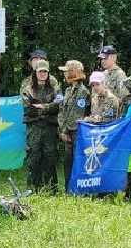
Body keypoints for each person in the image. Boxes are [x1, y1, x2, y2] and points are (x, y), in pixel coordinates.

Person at [21, 58, 62, 194]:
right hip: (34, 128)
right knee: (33, 157)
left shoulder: (54, 86)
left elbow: (58, 105)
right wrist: (48, 108)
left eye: (45, 71)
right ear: (35, 72)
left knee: (50, 157)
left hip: (50, 128)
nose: (43, 74)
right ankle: (32, 188)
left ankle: (52, 189)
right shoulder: (28, 88)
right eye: (40, 71)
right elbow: (29, 108)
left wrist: (42, 107)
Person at [57, 60, 90, 188]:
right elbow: (63, 111)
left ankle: (79, 188)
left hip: (77, 132)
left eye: (66, 71)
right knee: (68, 161)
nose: (65, 74)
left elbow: (76, 114)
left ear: (73, 72)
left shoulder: (82, 91)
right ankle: (68, 188)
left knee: (78, 160)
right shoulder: (68, 90)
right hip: (68, 131)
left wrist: (65, 131)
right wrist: (63, 129)